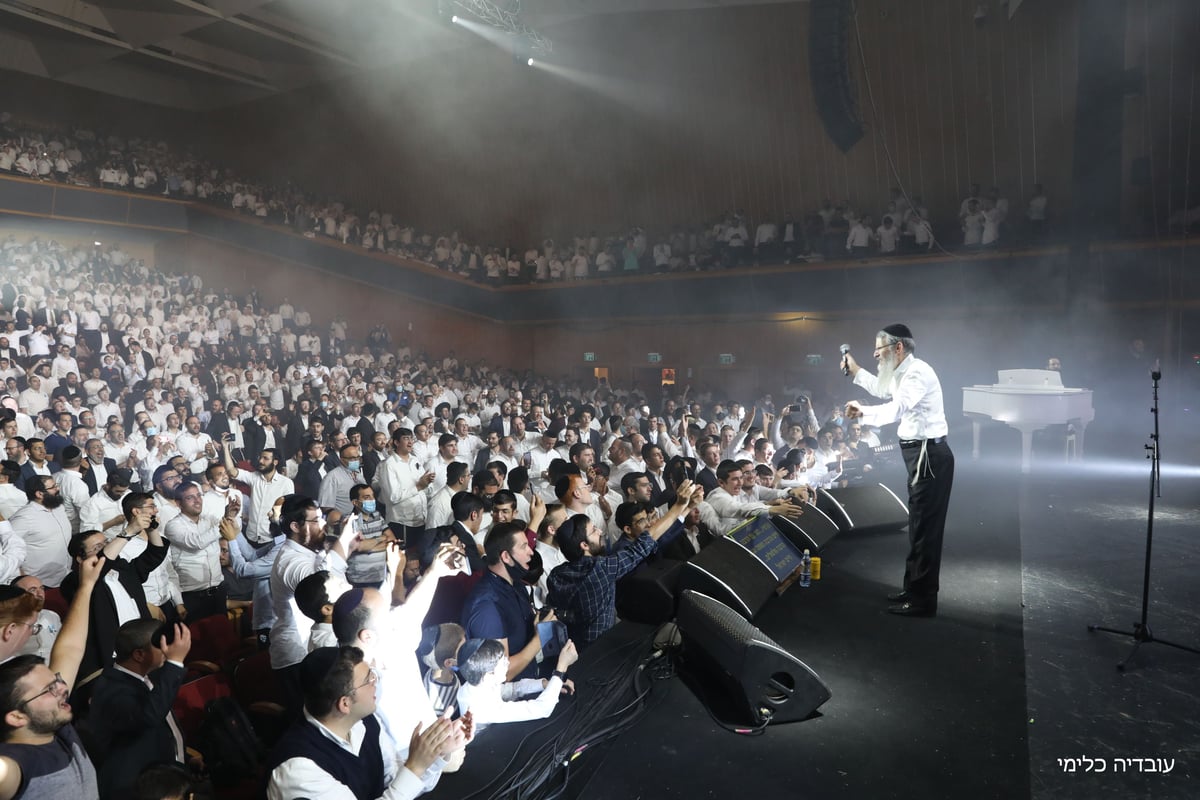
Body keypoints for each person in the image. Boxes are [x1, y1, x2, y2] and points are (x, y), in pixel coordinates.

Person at [842, 323, 953, 617]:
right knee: (918, 525)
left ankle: (923, 600)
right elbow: (881, 387)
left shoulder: (917, 373)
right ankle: (914, 589)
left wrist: (863, 412)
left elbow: (896, 409)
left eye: (879, 350)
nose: (876, 356)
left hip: (928, 455)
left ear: (898, 348)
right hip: (920, 455)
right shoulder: (901, 373)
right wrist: (855, 371)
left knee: (925, 531)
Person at [266, 645, 465, 800]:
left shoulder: (366, 721)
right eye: (369, 679)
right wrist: (415, 766)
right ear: (345, 704)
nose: (375, 683)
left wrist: (436, 752)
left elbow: (396, 784)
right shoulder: (300, 770)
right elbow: (404, 782)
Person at [547, 482, 696, 647]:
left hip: (572, 648)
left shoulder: (556, 575)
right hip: (600, 650)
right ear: (584, 545)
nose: (600, 532)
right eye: (593, 531)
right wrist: (680, 505)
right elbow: (644, 544)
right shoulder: (600, 569)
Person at [86, 619, 191, 800]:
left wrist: (183, 760)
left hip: (165, 775)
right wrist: (174, 664)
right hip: (136, 790)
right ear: (139, 655)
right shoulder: (112, 690)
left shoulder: (148, 676)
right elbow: (148, 716)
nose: (168, 650)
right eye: (161, 645)